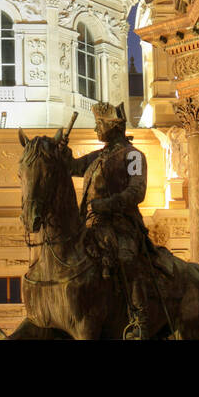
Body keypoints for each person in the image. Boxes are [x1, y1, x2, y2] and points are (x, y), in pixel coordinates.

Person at [69, 101, 155, 338]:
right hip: (89, 224)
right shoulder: (98, 156)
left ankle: (139, 319)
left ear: (114, 127)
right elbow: (73, 166)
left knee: (127, 259)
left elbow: (137, 192)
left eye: (100, 124)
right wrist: (60, 153)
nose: (96, 128)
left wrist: (106, 205)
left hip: (121, 224)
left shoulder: (134, 155)